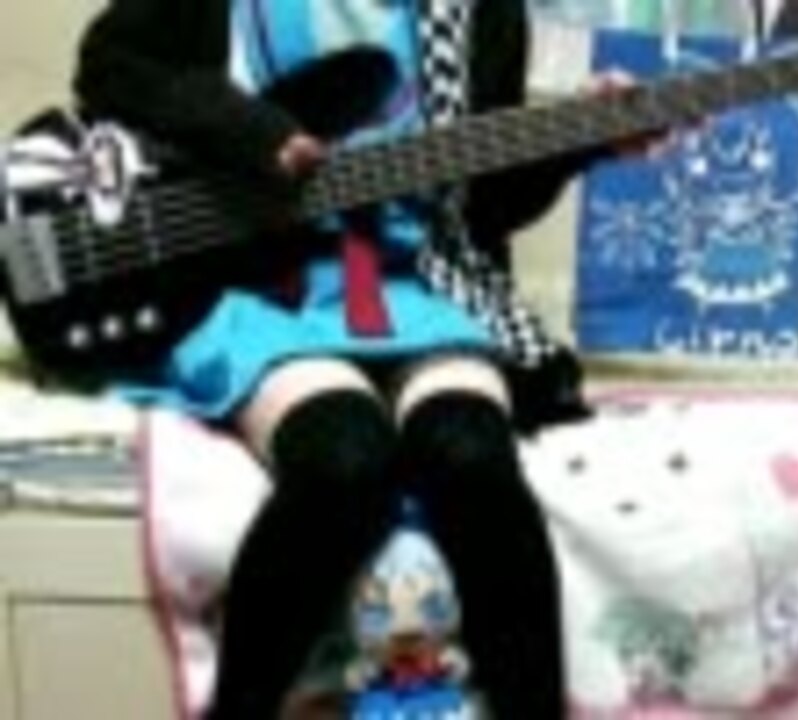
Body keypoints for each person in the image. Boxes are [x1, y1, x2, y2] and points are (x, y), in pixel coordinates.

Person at [72, 0, 650, 717]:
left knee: (472, 456)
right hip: (262, 287)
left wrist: (581, 139)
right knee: (345, 462)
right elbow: (111, 65)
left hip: (417, 283)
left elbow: (482, 201)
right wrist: (256, 132)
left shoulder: (482, 13)